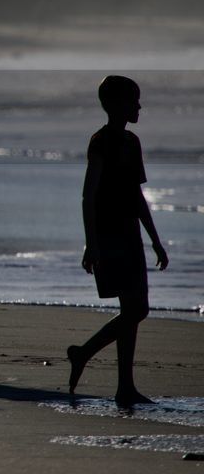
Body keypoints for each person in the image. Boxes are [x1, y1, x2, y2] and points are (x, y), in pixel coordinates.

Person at [67, 75, 169, 408]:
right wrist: (90, 242)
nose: (138, 106)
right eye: (133, 100)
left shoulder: (131, 142)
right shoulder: (101, 141)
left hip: (130, 234)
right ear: (114, 104)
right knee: (138, 309)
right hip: (109, 235)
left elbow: (137, 196)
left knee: (132, 309)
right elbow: (88, 195)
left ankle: (125, 386)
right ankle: (84, 353)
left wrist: (155, 239)